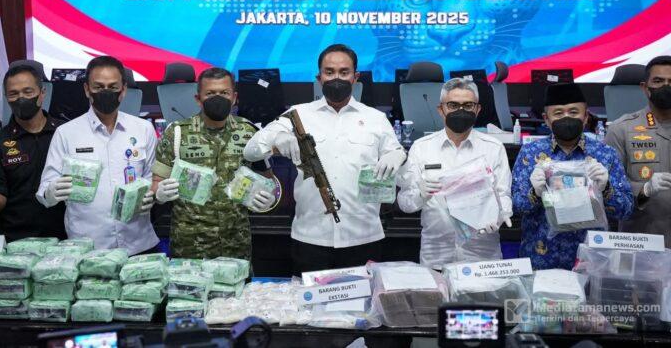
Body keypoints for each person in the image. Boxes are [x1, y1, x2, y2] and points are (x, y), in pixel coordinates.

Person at [244, 44, 406, 274]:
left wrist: (396, 154)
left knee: (363, 299)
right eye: (329, 72)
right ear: (319, 78)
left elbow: (397, 157)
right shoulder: (297, 114)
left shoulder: (376, 119)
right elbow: (250, 151)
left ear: (355, 77)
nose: (336, 78)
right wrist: (277, 138)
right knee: (308, 298)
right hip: (310, 238)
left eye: (344, 72)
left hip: (363, 237)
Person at [37, 56, 158, 255]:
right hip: (88, 247)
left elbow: (151, 177)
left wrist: (152, 195)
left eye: (113, 87)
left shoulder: (143, 129)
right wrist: (51, 192)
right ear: (87, 89)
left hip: (138, 243)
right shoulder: (66, 133)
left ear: (123, 90)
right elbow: (45, 190)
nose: (106, 92)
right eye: (98, 87)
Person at [151, 67, 275, 260]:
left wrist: (268, 199)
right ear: (198, 99)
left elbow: (269, 181)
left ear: (234, 97)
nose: (218, 98)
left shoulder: (249, 133)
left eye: (224, 93)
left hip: (236, 243)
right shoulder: (176, 133)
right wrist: (159, 194)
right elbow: (156, 184)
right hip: (189, 245)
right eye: (210, 93)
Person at [512, 83, 633, 270]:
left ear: (586, 117)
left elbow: (625, 210)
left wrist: (606, 189)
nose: (566, 118)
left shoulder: (605, 154)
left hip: (592, 261)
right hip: (541, 258)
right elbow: (516, 207)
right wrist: (535, 193)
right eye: (558, 113)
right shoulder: (530, 153)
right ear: (546, 119)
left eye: (574, 112)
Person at [397, 78, 513, 269]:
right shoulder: (421, 148)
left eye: (468, 105)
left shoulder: (494, 148)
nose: (461, 110)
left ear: (478, 109)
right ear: (440, 110)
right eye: (453, 105)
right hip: (436, 254)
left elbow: (503, 194)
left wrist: (500, 216)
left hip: (482, 254)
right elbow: (405, 203)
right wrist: (420, 195)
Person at [606, 55, 671, 279]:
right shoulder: (621, 130)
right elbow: (608, 190)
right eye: (658, 81)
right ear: (645, 87)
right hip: (641, 248)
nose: (666, 86)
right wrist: (643, 190)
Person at [0, 63, 66, 242]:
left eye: (28, 91)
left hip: (64, 239)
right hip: (15, 240)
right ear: (6, 98)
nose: (21, 98)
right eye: (13, 94)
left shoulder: (65, 133)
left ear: (42, 93)